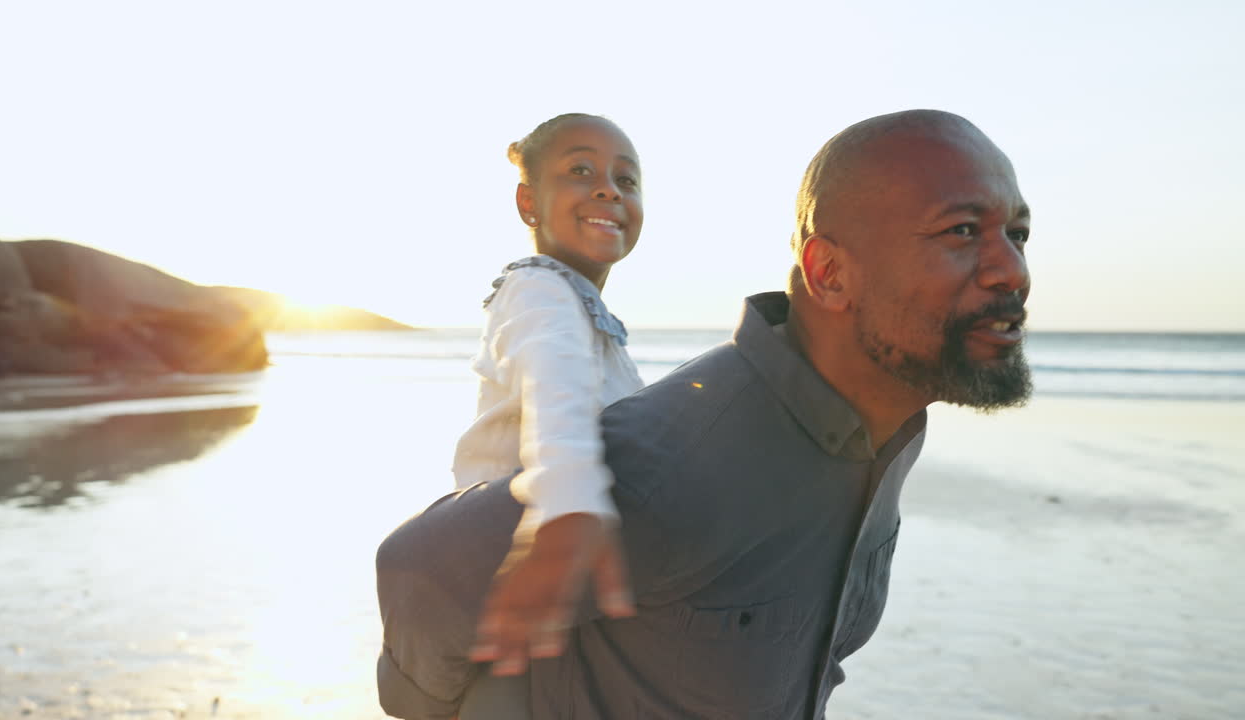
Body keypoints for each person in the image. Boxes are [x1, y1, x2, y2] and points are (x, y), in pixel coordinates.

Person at [375, 109, 1034, 720]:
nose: (1013, 270)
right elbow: (420, 572)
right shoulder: (679, 454)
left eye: (1018, 233)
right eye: (962, 232)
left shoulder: (884, 439)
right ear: (828, 273)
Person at [451, 113, 647, 680]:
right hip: (513, 573)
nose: (608, 188)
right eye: (580, 170)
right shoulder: (537, 289)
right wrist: (568, 508)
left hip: (558, 584)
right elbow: (553, 383)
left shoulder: (591, 318)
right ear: (528, 203)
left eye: (626, 179)